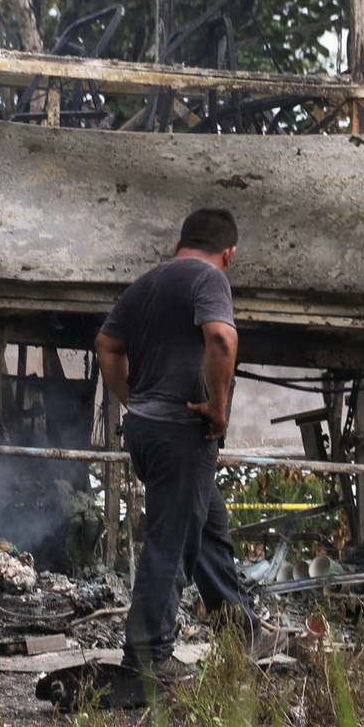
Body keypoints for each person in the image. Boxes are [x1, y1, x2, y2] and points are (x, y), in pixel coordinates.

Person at [94, 208, 280, 680]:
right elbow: (220, 339)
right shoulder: (208, 278)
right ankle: (147, 658)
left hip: (146, 431)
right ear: (229, 253)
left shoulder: (143, 285)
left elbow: (106, 347)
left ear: (180, 241)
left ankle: (242, 631)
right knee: (172, 543)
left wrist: (134, 401)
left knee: (209, 528)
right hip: (183, 431)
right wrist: (217, 408)